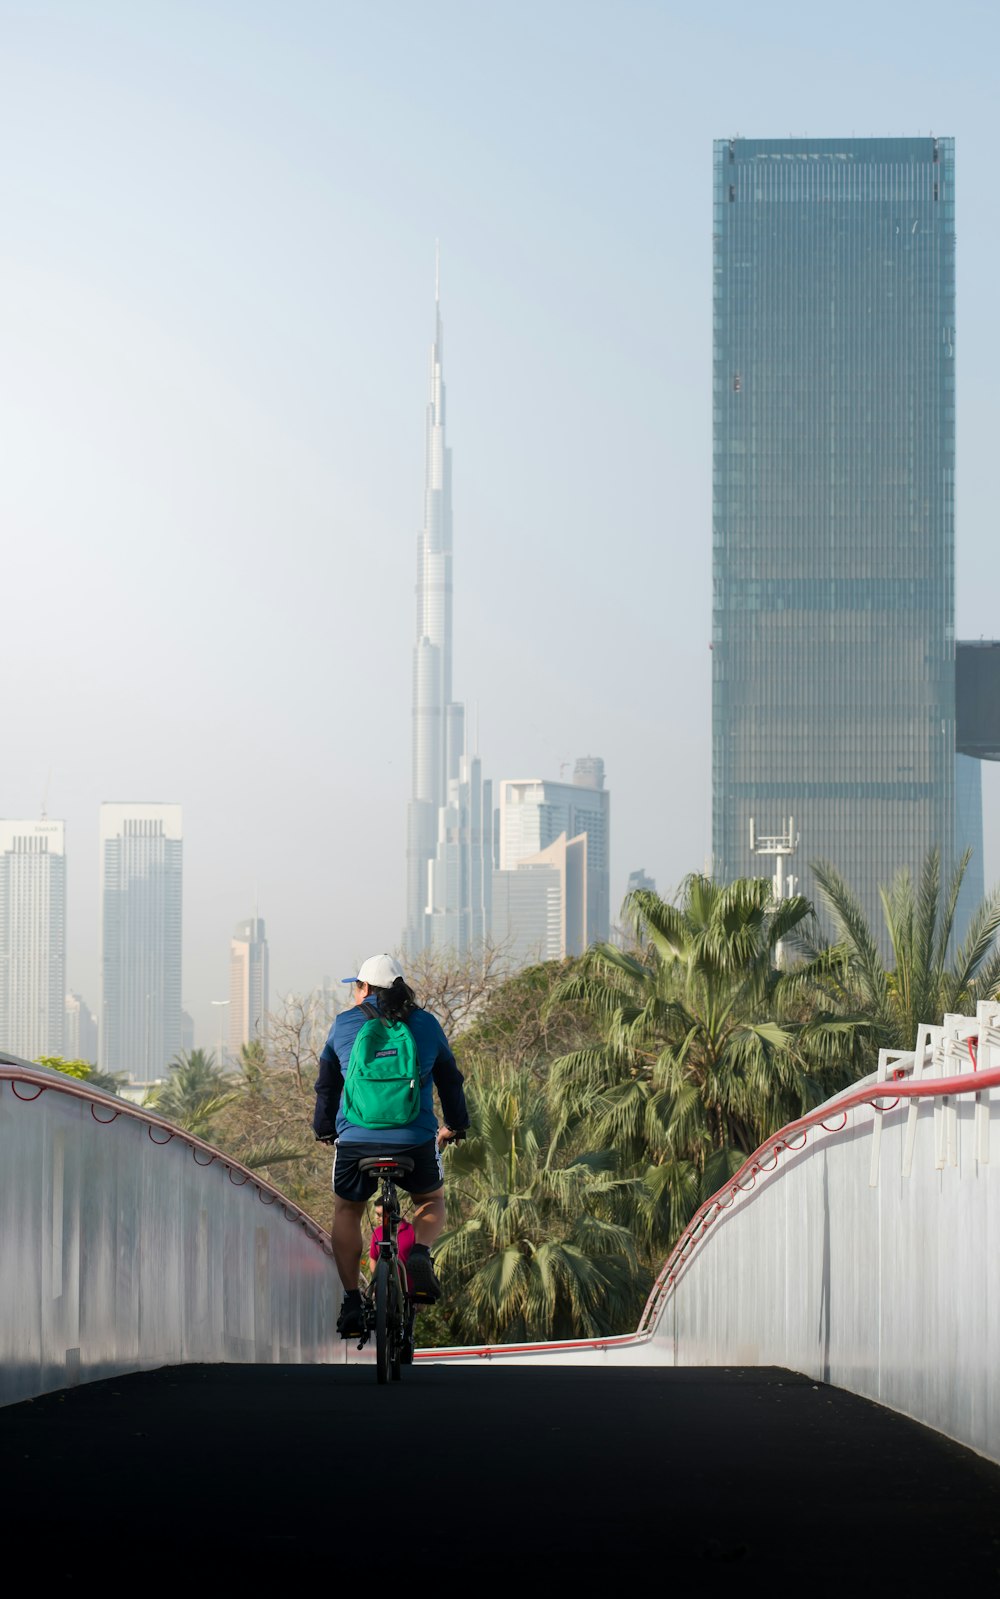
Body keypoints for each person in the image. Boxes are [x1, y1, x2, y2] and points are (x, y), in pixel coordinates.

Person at [313, 952, 469, 1338]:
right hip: (414, 1140)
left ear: (363, 989)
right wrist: (455, 1125)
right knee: (431, 1202)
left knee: (348, 1210)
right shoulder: (427, 1024)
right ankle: (418, 1253)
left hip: (355, 1141)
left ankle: (352, 1300)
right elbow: (451, 1079)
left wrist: (325, 1130)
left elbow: (327, 1085)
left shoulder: (344, 1024)